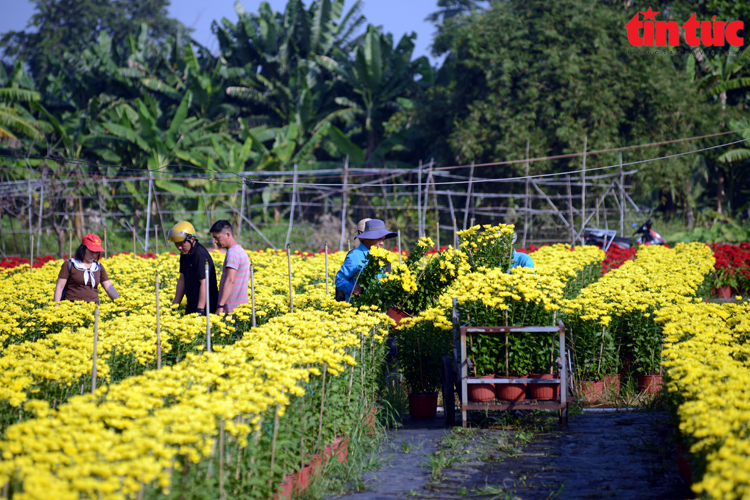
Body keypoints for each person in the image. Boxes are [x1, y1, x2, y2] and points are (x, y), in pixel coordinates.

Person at [335, 219, 396, 302]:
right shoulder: (354, 256)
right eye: (378, 239)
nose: (381, 243)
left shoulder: (383, 256)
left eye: (383, 239)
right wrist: (352, 289)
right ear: (366, 238)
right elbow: (340, 279)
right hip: (358, 309)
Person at [168, 221, 219, 316]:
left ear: (192, 238)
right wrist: (175, 305)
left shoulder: (200, 255)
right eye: (176, 244)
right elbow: (182, 279)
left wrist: (200, 310)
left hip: (206, 308)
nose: (179, 247)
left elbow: (204, 283)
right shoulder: (185, 253)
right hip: (191, 305)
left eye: (181, 243)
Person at [53, 234, 120, 304]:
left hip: (93, 306)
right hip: (72, 306)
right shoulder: (70, 264)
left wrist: (121, 305)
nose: (94, 255)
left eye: (96, 252)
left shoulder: (98, 267)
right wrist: (56, 306)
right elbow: (59, 287)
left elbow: (109, 288)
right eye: (91, 251)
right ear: (83, 249)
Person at [210, 220, 250, 315]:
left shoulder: (233, 253)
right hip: (241, 308)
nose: (215, 241)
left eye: (217, 238)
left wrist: (220, 306)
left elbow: (230, 280)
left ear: (227, 235)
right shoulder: (240, 251)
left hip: (231, 309)